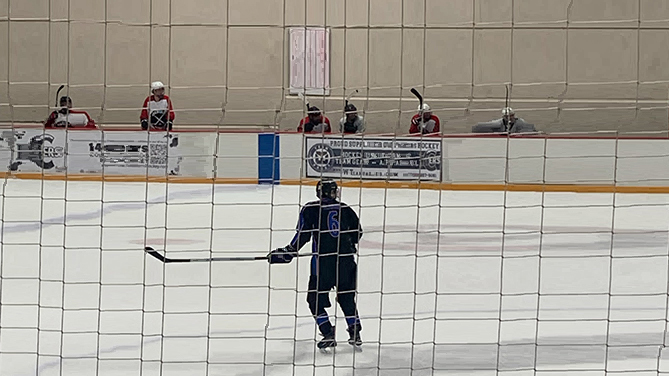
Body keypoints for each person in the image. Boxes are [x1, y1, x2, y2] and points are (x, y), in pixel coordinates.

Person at [267, 179, 363, 350]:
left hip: (323, 264)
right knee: (347, 298)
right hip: (346, 262)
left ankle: (327, 332)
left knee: (314, 299)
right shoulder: (345, 209)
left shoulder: (311, 209)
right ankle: (355, 332)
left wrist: (288, 252)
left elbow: (303, 235)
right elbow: (358, 233)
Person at [472, 107, 537, 134]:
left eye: (511, 115)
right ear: (503, 116)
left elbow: (532, 130)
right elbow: (479, 127)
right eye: (507, 116)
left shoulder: (520, 123)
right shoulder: (498, 123)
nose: (509, 118)